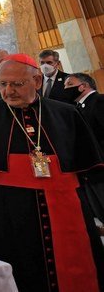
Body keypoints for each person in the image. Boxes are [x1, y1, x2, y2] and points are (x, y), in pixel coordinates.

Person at [0, 54, 104, 292]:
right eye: (3, 84)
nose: (8, 91)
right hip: (9, 213)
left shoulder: (66, 113)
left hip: (68, 209)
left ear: (37, 81)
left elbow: (87, 165)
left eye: (17, 84)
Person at [64, 73, 104, 225]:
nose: (65, 89)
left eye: (69, 84)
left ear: (83, 86)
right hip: (90, 169)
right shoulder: (79, 107)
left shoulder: (99, 101)